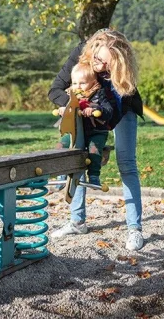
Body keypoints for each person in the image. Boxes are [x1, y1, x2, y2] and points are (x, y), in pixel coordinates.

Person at [49, 28, 145, 251]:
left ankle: (135, 228)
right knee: (78, 157)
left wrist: (100, 137)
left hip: (119, 110)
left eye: (108, 65)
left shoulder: (121, 75)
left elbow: (115, 110)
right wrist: (76, 106)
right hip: (86, 108)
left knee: (126, 163)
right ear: (93, 50)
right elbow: (54, 90)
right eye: (99, 60)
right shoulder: (81, 54)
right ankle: (77, 221)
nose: (101, 67)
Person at [56, 62, 116, 186]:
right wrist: (64, 110)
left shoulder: (100, 94)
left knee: (93, 149)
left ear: (93, 82)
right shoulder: (71, 96)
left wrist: (96, 110)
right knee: (61, 146)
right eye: (74, 83)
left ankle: (94, 175)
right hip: (76, 131)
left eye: (82, 83)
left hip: (96, 132)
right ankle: (60, 174)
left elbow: (108, 110)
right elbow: (68, 108)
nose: (78, 86)